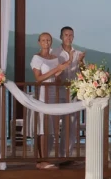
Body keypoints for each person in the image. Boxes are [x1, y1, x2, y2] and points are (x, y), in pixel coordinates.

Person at [29, 32, 71, 170]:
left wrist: (58, 74)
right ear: (39, 42)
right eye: (43, 40)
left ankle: (47, 158)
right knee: (44, 127)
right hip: (43, 94)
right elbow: (38, 78)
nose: (46, 42)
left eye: (48, 40)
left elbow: (57, 78)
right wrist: (55, 70)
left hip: (54, 93)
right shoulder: (37, 58)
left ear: (51, 42)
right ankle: (42, 160)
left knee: (52, 128)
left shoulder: (55, 58)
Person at [55, 26, 85, 157]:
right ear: (61, 36)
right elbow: (54, 73)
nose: (68, 37)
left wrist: (81, 63)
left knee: (71, 125)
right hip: (58, 92)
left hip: (73, 93)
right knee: (54, 124)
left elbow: (83, 74)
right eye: (66, 35)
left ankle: (66, 154)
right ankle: (52, 154)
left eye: (71, 35)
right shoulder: (55, 53)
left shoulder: (78, 54)